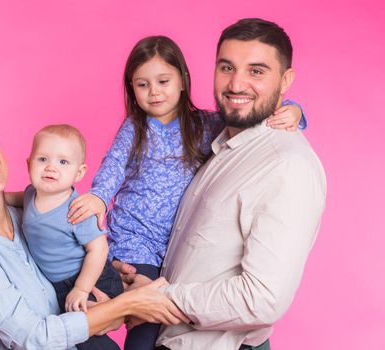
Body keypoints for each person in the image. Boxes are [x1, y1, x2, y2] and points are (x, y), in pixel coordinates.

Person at [67, 35, 306, 350]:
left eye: (163, 81)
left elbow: (247, 114)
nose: (154, 92)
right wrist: (98, 195)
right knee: (144, 325)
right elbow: (113, 165)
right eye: (142, 85)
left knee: (153, 320)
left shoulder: (204, 124)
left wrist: (295, 110)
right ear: (132, 89)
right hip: (136, 242)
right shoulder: (135, 129)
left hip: (174, 250)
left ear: (182, 80)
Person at [0, 111, 188, 350]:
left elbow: (61, 270)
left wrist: (111, 283)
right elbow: (34, 338)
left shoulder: (27, 215)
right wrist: (125, 305)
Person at [146, 18, 326, 350]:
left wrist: (157, 298)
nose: (237, 84)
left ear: (285, 81)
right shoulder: (219, 147)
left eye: (256, 71)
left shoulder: (286, 165)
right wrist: (143, 279)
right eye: (227, 67)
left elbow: (263, 298)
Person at [22, 124, 123, 349]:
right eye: (42, 159)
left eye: (63, 162)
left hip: (91, 278)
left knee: (87, 336)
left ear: (79, 172)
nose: (51, 168)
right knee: (66, 339)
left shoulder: (77, 210)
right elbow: (12, 200)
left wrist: (82, 288)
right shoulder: (30, 194)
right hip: (58, 285)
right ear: (29, 164)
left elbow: (98, 248)